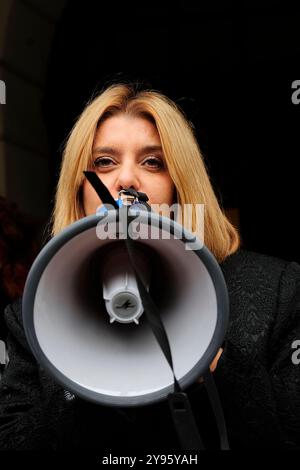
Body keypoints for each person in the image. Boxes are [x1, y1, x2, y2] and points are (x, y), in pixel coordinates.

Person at [0, 82, 300, 451]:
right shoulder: (31, 317)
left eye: (153, 162)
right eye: (104, 162)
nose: (126, 180)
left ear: (180, 185)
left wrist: (219, 366)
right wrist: (79, 382)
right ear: (77, 189)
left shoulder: (276, 290)